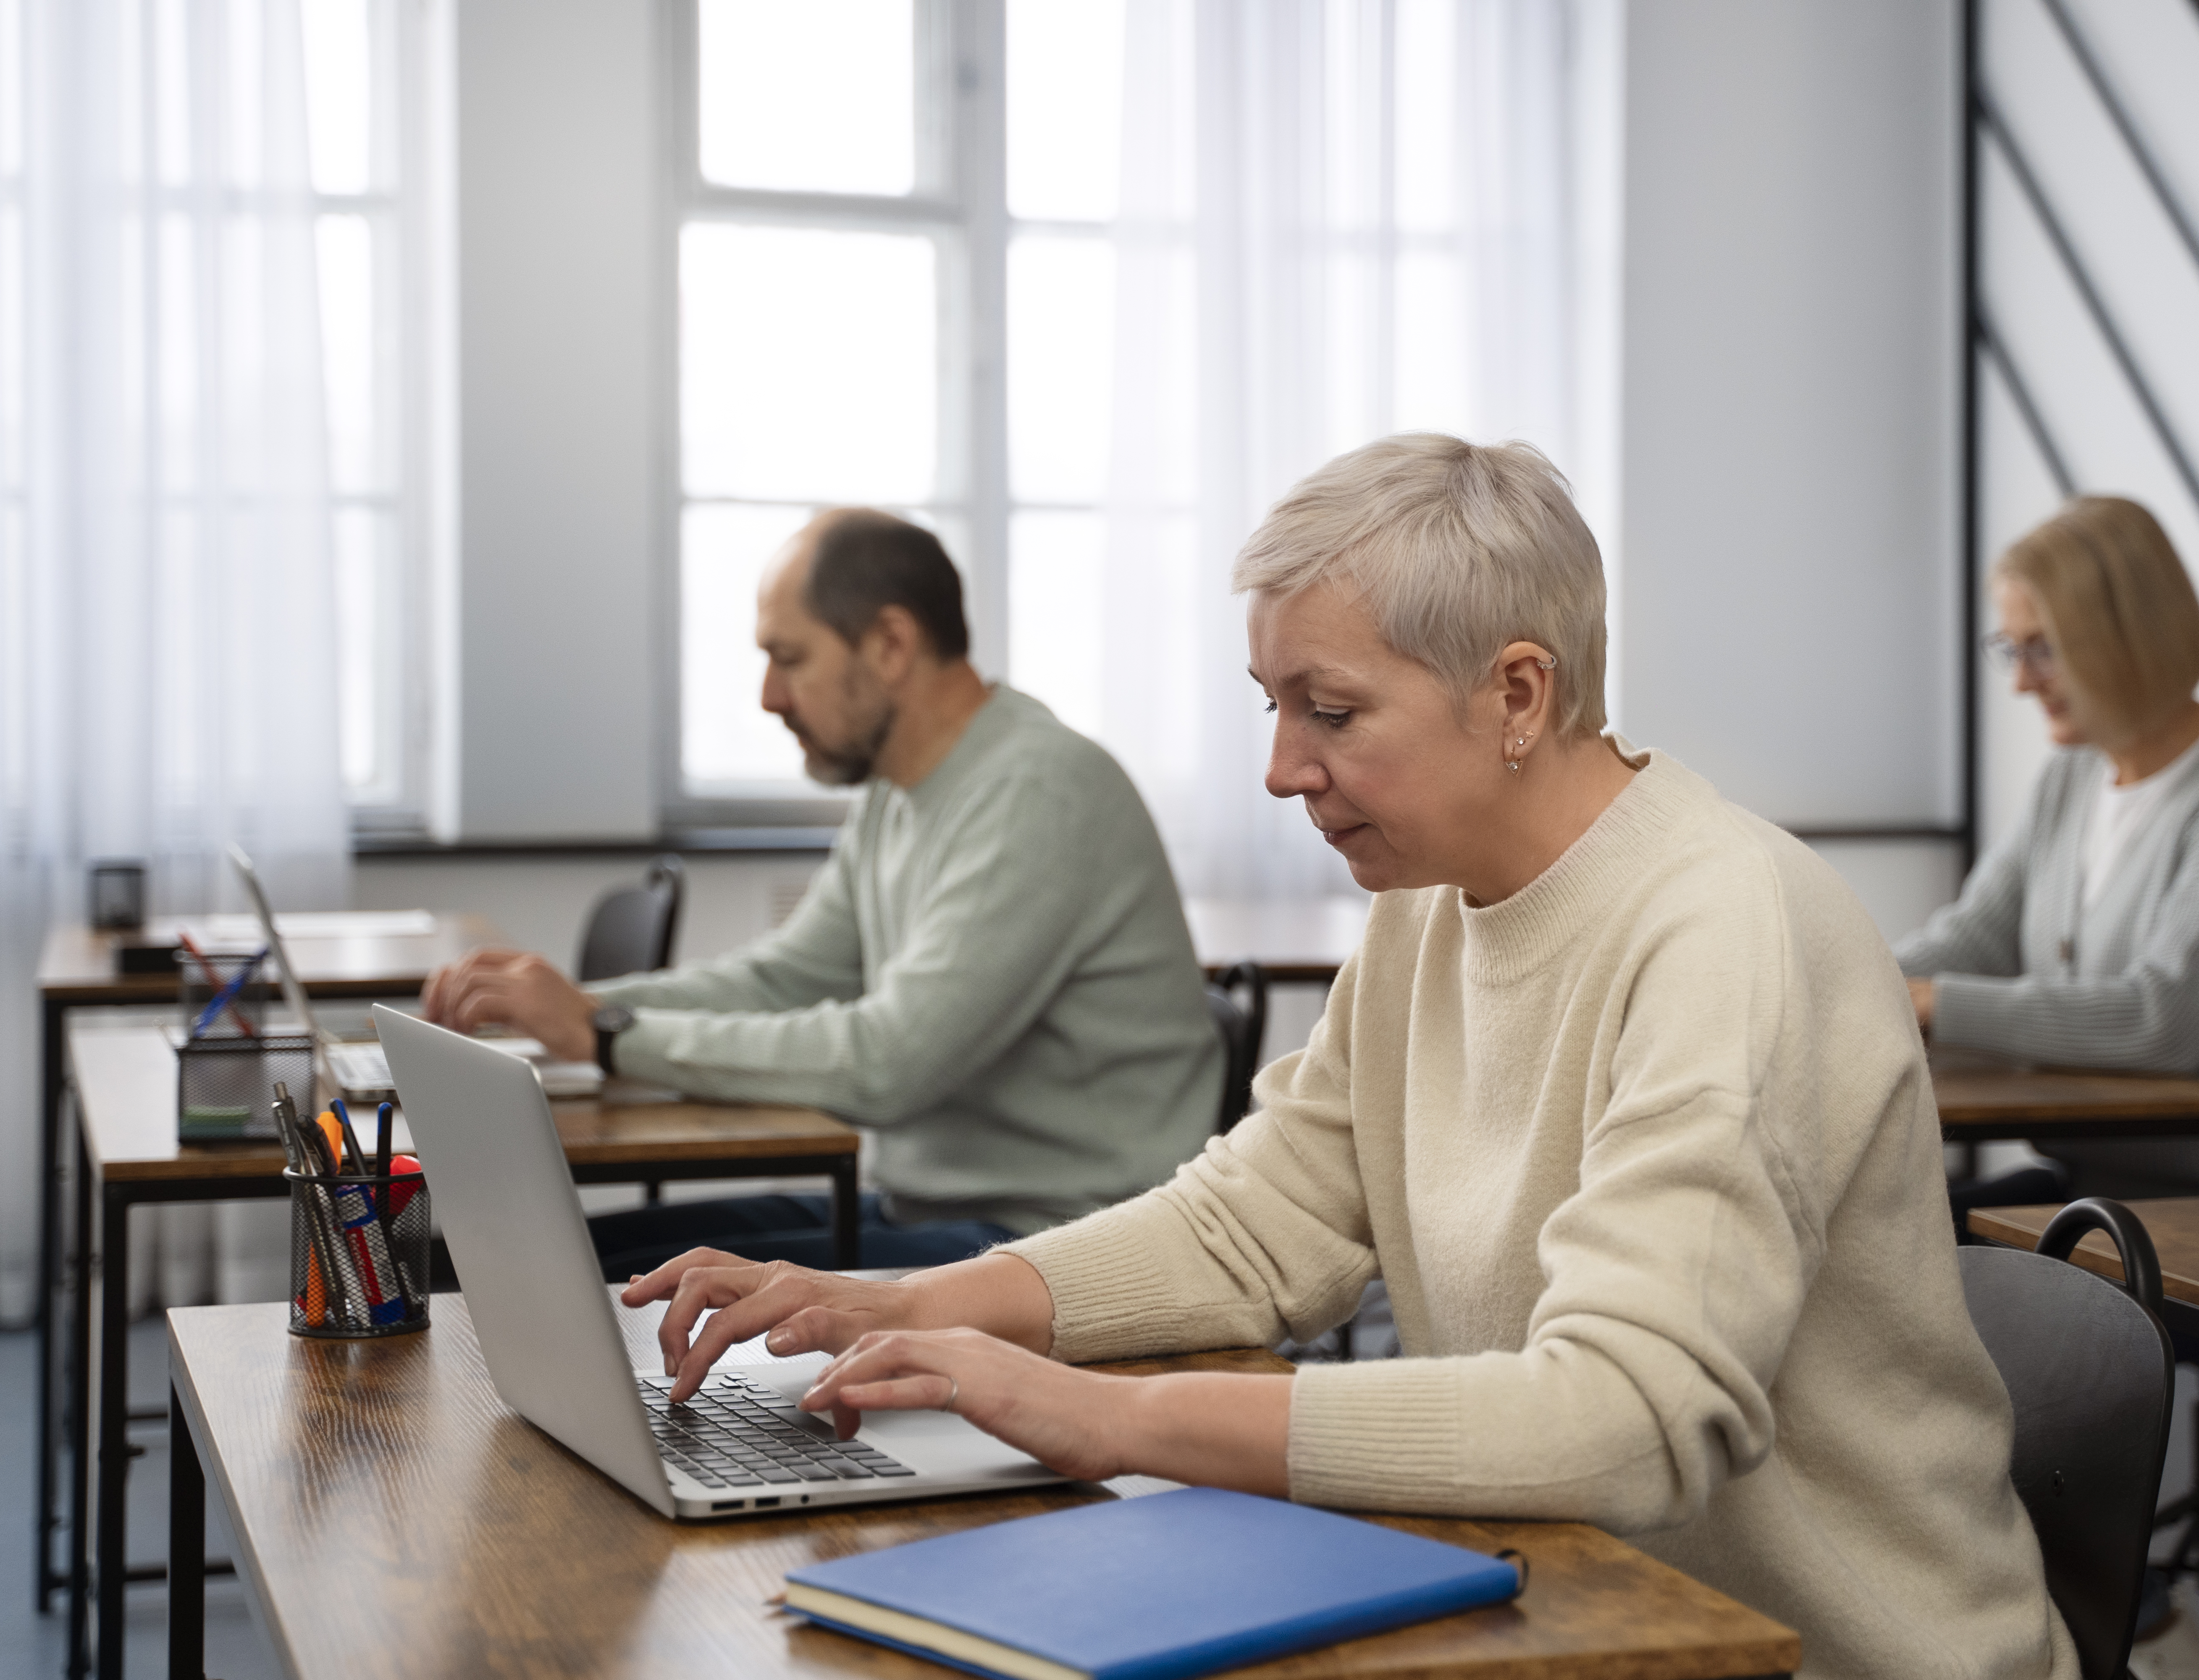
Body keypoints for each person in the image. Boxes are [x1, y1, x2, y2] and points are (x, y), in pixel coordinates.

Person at [625, 437, 2073, 1680]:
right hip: (1572, 1615)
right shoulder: (1429, 906)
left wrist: (1112, 1415)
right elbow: (1253, 1224)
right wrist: (908, 1302)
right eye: (1272, 707)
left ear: (1517, 696)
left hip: (1807, 1655)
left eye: (1331, 711)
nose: (1281, 768)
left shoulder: (1723, 927)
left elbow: (1627, 1420)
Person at [422, 509, 1222, 1276]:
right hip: (934, 1215)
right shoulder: (897, 791)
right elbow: (782, 981)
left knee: (581, 1280)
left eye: (790, 658)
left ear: (891, 644)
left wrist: (606, 1034)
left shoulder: (1040, 790)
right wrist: (569, 1011)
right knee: (530, 1258)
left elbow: (888, 1061)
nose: (770, 696)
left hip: (1060, 1246)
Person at [1897, 495, 2199, 1204]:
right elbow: (1976, 936)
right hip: (2095, 1187)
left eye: (2043, 649)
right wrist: (1850, 984)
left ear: (2128, 637)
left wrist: (1936, 1005)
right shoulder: (2072, 776)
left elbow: (2168, 1020)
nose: (2020, 681)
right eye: (2011, 649)